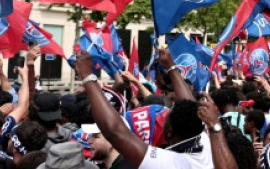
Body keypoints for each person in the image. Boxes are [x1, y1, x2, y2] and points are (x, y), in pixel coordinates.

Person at [75, 49, 212, 169]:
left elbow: (115, 131)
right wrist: (171, 68)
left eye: (166, 120)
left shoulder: (168, 163)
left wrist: (88, 77)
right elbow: (189, 106)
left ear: (169, 133)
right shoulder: (205, 144)